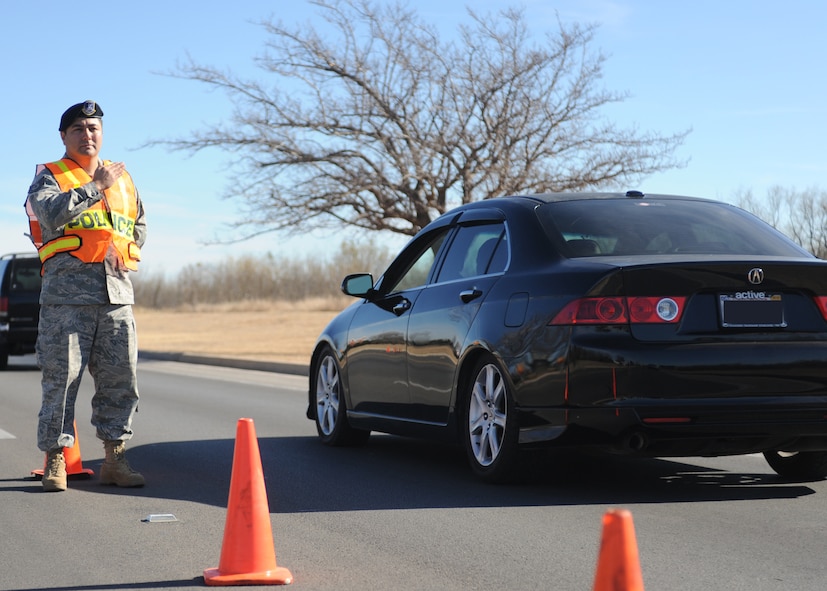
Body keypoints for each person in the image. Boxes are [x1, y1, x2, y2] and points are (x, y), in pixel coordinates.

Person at [25, 100, 147, 492]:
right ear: (64, 136)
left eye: (93, 128)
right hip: (66, 301)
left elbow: (139, 223)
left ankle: (115, 457)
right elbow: (50, 214)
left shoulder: (123, 179)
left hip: (115, 297)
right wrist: (95, 187)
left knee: (120, 381)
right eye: (78, 128)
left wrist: (125, 246)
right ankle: (56, 460)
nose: (87, 134)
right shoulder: (51, 176)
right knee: (61, 382)